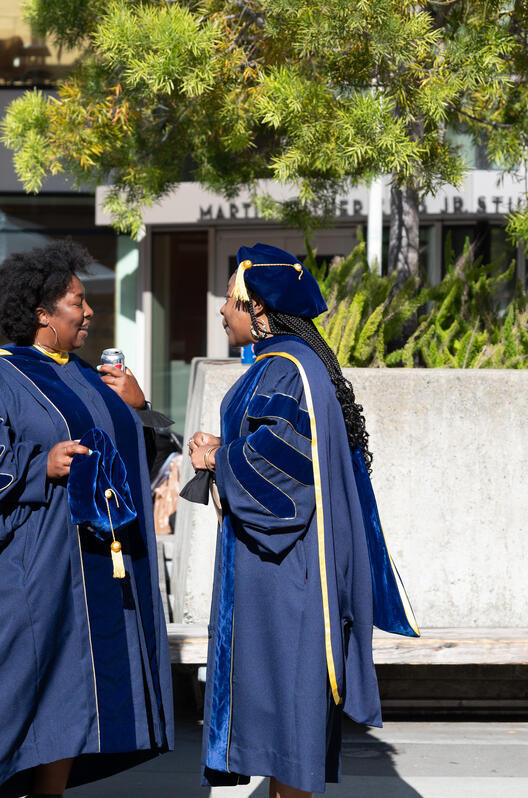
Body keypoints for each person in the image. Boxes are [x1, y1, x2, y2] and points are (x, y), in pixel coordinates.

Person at [0, 240, 173, 798]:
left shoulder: (89, 376)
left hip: (91, 568)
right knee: (18, 692)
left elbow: (141, 459)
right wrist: (40, 464)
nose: (89, 312)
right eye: (76, 301)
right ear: (42, 313)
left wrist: (138, 410)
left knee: (72, 697)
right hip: (32, 569)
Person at [186, 243, 417, 798]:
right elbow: (288, 451)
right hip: (290, 564)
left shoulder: (283, 370)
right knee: (286, 709)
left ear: (258, 308)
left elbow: (283, 478)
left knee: (288, 707)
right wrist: (230, 450)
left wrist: (219, 458)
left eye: (230, 301)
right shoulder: (298, 363)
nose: (222, 312)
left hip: (285, 571)